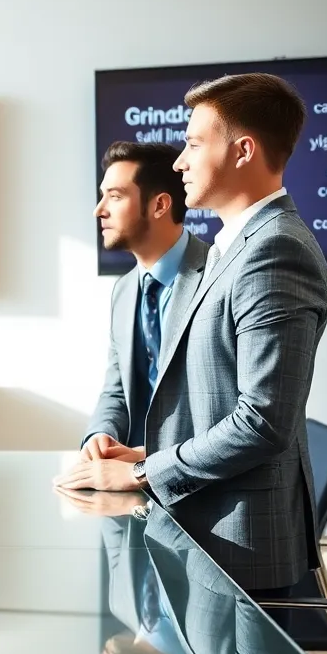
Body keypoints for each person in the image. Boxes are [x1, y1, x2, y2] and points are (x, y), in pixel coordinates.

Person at [56, 73, 327, 596]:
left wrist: (142, 474)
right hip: (204, 528)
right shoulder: (238, 247)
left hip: (240, 543)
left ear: (243, 151)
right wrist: (137, 454)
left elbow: (262, 421)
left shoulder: (276, 251)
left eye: (194, 143)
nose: (180, 160)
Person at [81, 141, 210, 457]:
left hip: (198, 483)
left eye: (115, 196)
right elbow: (117, 388)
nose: (99, 209)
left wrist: (151, 464)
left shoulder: (218, 275)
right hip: (131, 481)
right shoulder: (124, 290)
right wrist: (100, 435)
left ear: (159, 205)